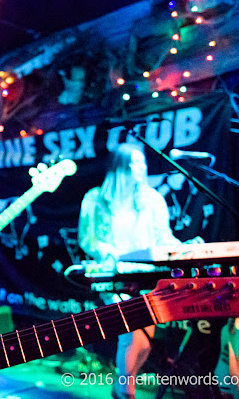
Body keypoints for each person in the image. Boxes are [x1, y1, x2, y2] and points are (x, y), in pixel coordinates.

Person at [77, 143, 184, 399]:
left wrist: (185, 249)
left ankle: (121, 386)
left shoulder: (152, 199)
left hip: (146, 275)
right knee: (133, 329)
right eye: (136, 162)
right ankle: (126, 392)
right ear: (121, 166)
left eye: (143, 161)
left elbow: (163, 237)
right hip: (114, 276)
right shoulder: (96, 199)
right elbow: (87, 239)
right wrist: (107, 251)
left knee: (145, 340)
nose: (143, 167)